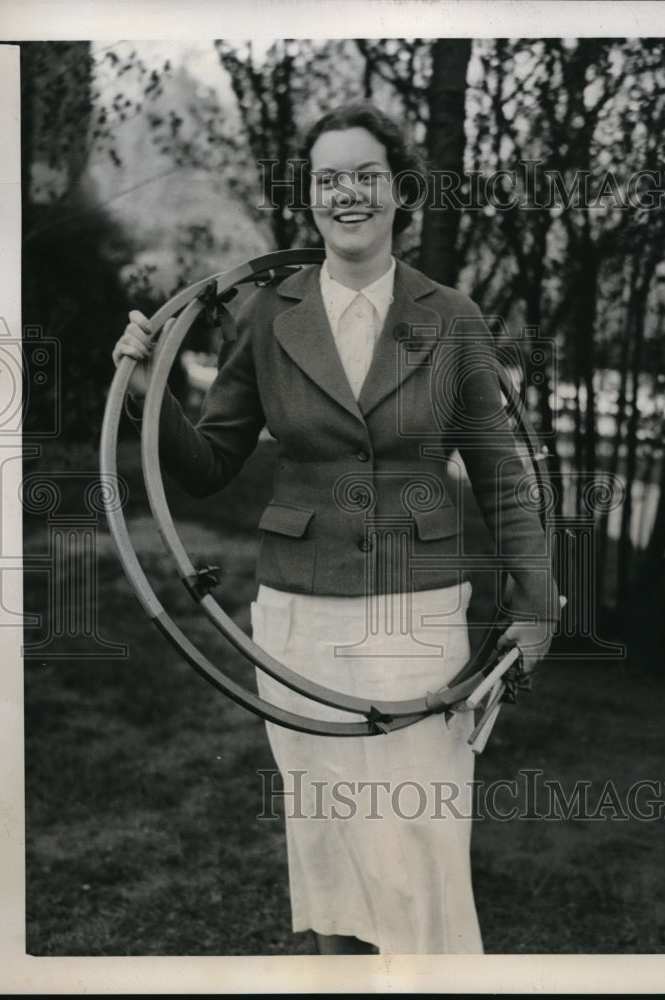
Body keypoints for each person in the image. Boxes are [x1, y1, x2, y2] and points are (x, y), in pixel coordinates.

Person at [113, 101, 560, 956]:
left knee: (419, 846)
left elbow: (503, 476)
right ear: (308, 196)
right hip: (298, 616)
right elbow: (210, 464)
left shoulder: (452, 315)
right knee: (329, 850)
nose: (345, 194)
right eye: (327, 178)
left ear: (400, 191)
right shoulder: (271, 315)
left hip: (418, 616)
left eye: (365, 175)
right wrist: (148, 393)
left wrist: (535, 607)